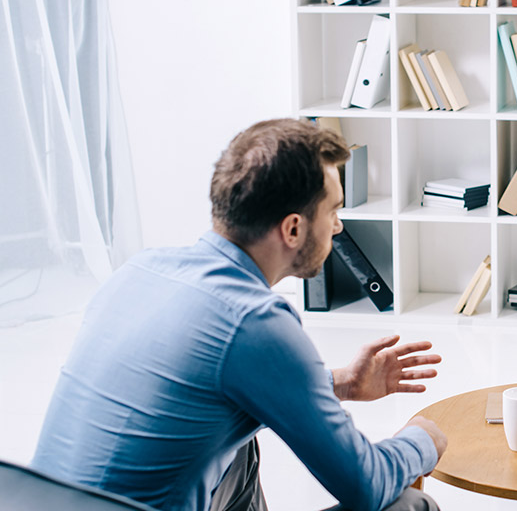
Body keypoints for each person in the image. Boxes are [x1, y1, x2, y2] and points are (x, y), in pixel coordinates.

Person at [32, 118, 447, 511]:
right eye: (333, 212)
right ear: (293, 229)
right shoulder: (254, 320)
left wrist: (341, 383)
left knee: (237, 443)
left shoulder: (140, 270)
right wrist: (421, 440)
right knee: (409, 505)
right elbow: (366, 485)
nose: (337, 228)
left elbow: (203, 378)